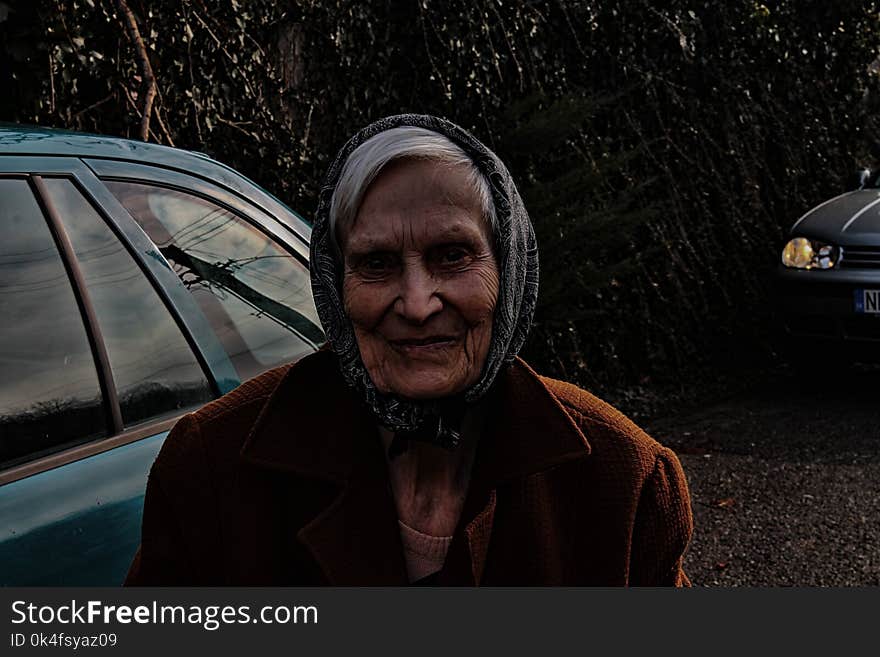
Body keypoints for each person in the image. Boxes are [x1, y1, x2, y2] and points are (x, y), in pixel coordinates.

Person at [125, 114, 693, 586]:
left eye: (452, 255)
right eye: (376, 264)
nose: (417, 304)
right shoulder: (212, 466)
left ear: (509, 271)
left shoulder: (623, 479)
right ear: (334, 283)